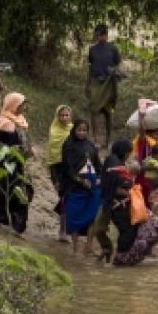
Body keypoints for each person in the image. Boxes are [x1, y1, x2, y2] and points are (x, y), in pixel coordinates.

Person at [0, 92, 32, 236]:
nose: (23, 107)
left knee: (22, 190)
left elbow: (25, 139)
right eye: (21, 104)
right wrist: (8, 149)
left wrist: (29, 148)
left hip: (21, 163)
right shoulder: (4, 122)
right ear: (13, 105)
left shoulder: (21, 121)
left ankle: (18, 224)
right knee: (6, 188)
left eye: (24, 104)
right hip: (7, 163)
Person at [62, 119, 102, 256]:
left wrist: (99, 178)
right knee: (74, 217)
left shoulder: (91, 146)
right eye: (79, 130)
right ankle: (75, 249)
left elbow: (98, 165)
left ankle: (89, 246)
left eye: (85, 130)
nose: (82, 133)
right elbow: (68, 168)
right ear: (74, 130)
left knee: (93, 216)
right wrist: (80, 180)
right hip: (75, 187)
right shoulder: (68, 145)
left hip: (93, 187)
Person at [93, 139, 133, 262]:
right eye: (128, 153)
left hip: (110, 201)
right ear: (124, 152)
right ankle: (118, 255)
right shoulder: (115, 164)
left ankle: (109, 249)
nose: (129, 155)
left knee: (99, 229)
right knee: (124, 230)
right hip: (116, 204)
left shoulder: (112, 161)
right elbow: (116, 184)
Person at [86, 24, 121, 148]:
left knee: (108, 112)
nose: (100, 37)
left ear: (106, 35)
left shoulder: (113, 49)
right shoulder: (92, 49)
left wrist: (114, 73)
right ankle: (95, 140)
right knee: (94, 110)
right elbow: (90, 66)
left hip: (108, 83)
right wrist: (88, 84)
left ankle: (109, 140)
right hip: (96, 82)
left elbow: (117, 64)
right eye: (98, 35)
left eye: (102, 35)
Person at [47, 105, 74, 241]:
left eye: (66, 115)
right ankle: (62, 231)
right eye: (61, 115)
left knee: (69, 198)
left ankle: (66, 230)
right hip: (57, 169)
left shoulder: (73, 130)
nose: (64, 118)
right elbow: (52, 158)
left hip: (71, 170)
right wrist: (55, 178)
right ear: (57, 116)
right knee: (64, 197)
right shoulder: (54, 131)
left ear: (70, 116)